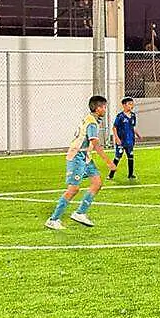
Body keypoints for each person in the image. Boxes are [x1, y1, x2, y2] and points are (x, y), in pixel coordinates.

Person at [45, 95, 116, 230]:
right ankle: (53, 219)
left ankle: (80, 212)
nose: (105, 110)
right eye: (104, 107)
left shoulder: (91, 119)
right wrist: (108, 162)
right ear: (98, 108)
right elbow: (95, 144)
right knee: (73, 189)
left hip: (85, 156)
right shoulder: (92, 123)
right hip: (77, 156)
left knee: (97, 183)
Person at [108, 97, 140, 180]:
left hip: (130, 140)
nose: (131, 106)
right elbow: (114, 128)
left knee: (130, 156)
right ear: (124, 105)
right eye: (129, 104)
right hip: (122, 141)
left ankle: (130, 174)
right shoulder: (120, 116)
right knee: (117, 157)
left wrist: (137, 134)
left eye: (132, 104)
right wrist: (117, 138)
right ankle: (111, 175)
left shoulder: (133, 115)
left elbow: (133, 126)